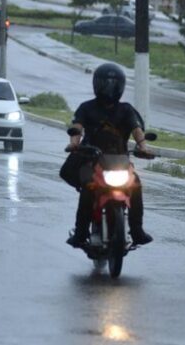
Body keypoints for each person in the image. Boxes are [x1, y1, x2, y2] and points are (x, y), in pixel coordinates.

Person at [63, 63, 153, 249]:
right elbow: (77, 127)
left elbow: (136, 129)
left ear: (121, 86)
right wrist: (74, 143)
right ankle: (81, 232)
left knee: (136, 185)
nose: (109, 88)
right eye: (105, 83)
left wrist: (143, 147)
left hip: (119, 160)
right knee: (88, 187)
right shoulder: (87, 107)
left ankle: (137, 231)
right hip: (92, 158)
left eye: (114, 84)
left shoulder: (126, 109)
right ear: (97, 84)